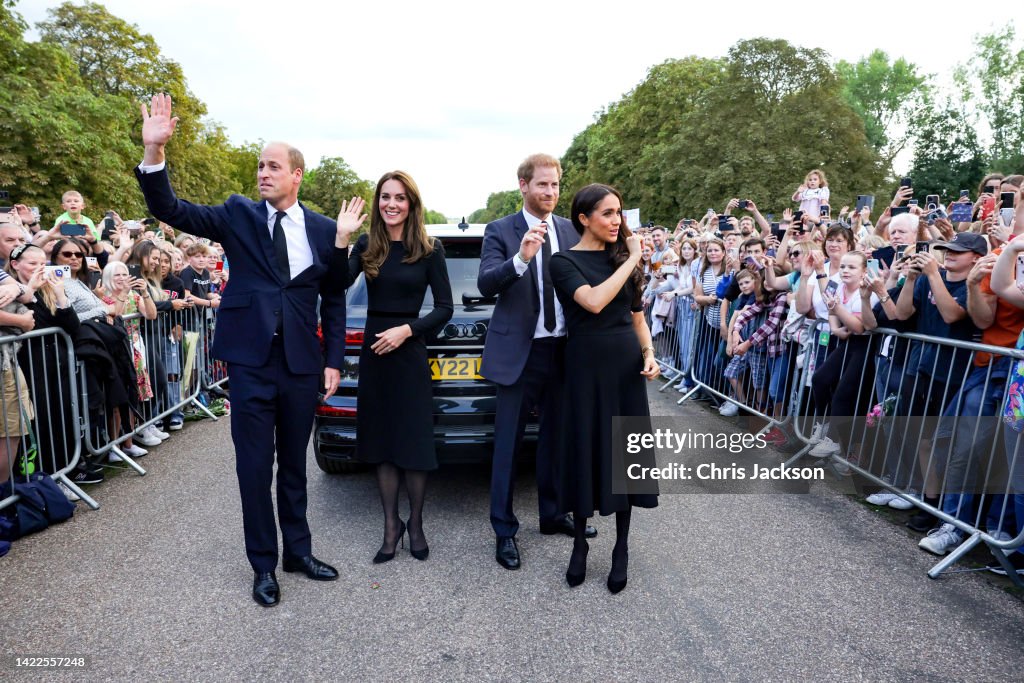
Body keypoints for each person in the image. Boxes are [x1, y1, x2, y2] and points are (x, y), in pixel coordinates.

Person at [134, 93, 350, 607]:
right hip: (251, 362)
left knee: (295, 466)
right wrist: (154, 155)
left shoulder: (323, 230)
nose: (262, 173)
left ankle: (299, 551)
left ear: (297, 174)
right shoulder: (237, 215)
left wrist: (334, 361)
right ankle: (263, 565)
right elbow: (170, 208)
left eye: (273, 166)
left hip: (301, 364)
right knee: (254, 467)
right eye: (259, 166)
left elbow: (335, 298)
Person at [477, 153, 597, 572]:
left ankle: (551, 514)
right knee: (508, 445)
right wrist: (522, 258)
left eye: (556, 185)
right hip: (519, 354)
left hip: (562, 351)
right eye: (542, 184)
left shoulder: (570, 229)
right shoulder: (500, 230)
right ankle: (504, 530)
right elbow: (486, 283)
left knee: (557, 440)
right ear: (524, 186)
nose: (550, 192)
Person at [334, 171, 453, 564]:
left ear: (411, 204)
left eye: (400, 198)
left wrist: (407, 330)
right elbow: (334, 286)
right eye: (385, 197)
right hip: (375, 355)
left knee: (413, 444)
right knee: (383, 444)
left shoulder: (430, 249)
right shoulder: (369, 244)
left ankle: (415, 524)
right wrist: (343, 239)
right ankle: (390, 526)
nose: (391, 204)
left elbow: (444, 308)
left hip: (409, 351)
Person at [549, 183, 659, 594]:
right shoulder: (563, 262)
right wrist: (631, 260)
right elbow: (593, 302)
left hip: (625, 367)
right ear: (584, 218)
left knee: (624, 455)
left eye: (619, 213)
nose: (618, 221)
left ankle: (622, 548)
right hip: (583, 368)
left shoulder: (621, 260)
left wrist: (649, 353)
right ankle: (579, 544)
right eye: (608, 213)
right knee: (585, 449)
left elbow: (637, 318)